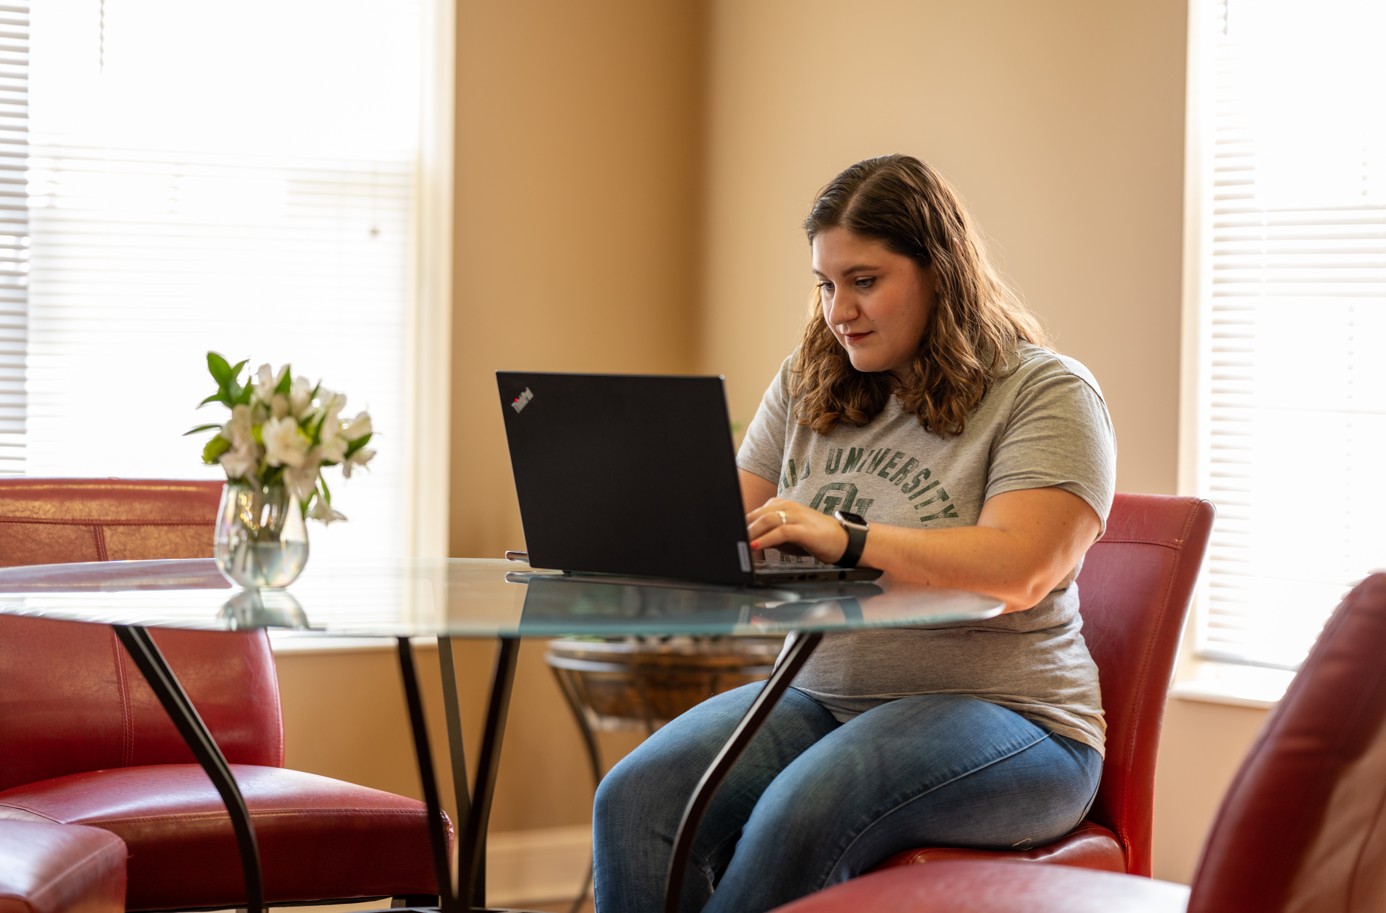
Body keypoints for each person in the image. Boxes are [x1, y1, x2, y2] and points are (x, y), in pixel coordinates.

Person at [591, 154, 1117, 913]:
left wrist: (849, 537)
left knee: (805, 806)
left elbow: (1021, 566)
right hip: (819, 696)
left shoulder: (1046, 392)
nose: (840, 310)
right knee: (636, 796)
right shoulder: (809, 382)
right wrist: (622, 523)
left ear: (941, 272)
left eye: (864, 280)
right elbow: (727, 530)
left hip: (1015, 719)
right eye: (826, 284)